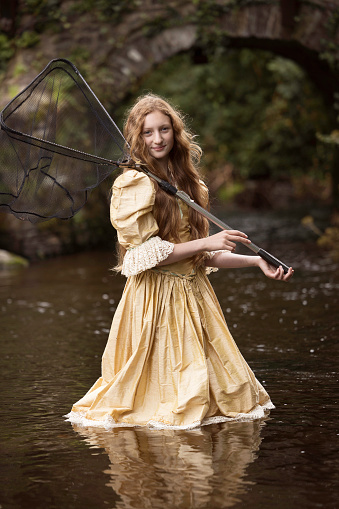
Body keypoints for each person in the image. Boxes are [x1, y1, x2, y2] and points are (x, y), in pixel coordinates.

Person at [66, 94, 293, 430]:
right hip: (153, 301)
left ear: (176, 132)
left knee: (226, 397)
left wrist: (255, 262)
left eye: (164, 129)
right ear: (136, 137)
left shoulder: (189, 183)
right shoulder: (133, 183)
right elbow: (142, 256)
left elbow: (201, 255)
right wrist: (206, 241)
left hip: (196, 298)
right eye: (147, 133)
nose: (157, 139)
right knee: (168, 402)